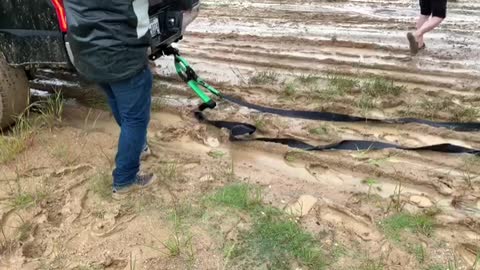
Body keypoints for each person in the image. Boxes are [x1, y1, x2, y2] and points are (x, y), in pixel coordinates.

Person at [64, 0, 156, 199]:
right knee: (135, 118)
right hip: (123, 51)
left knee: (116, 99)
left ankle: (138, 147)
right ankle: (125, 180)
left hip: (85, 49)